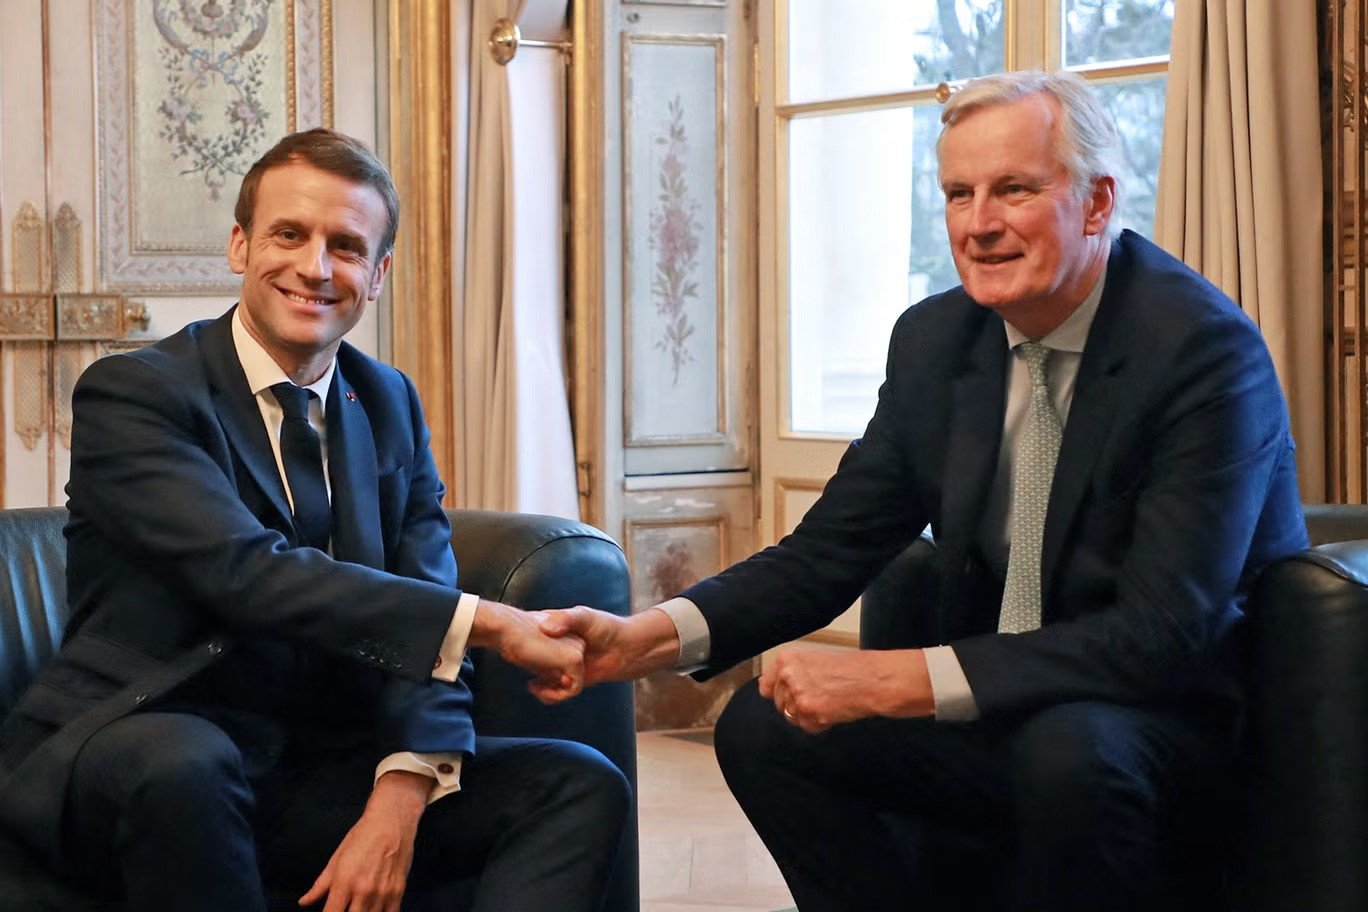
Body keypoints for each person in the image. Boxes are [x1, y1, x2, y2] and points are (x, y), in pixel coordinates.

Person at [541, 71, 1308, 911]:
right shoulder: (938, 340)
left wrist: (897, 680)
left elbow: (1160, 637)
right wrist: (645, 638)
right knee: (765, 731)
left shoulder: (1201, 354)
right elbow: (830, 549)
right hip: (1003, 706)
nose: (979, 225)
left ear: (1096, 205)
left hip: (1166, 725)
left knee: (1067, 751)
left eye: (1014, 189)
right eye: (957, 194)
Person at [0, 128, 628, 912]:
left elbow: (419, 608)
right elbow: (247, 572)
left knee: (576, 781)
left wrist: (401, 790)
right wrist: (494, 623)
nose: (315, 267)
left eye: (347, 246)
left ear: (378, 275)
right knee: (184, 761)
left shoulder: (388, 400)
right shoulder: (136, 394)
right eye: (288, 235)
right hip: (139, 734)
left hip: (309, 765)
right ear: (239, 245)